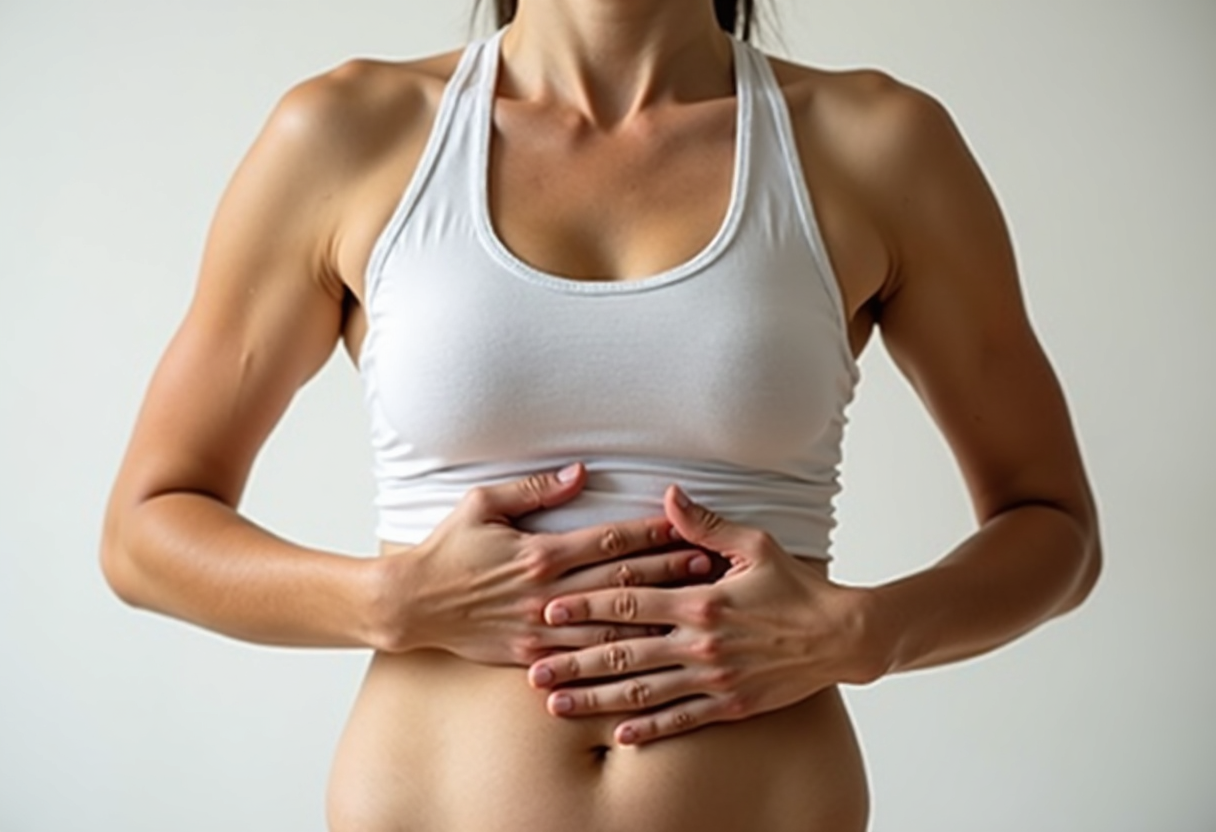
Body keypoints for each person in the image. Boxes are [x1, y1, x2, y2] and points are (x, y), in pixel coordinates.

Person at [100, 0, 1102, 829]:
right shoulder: (349, 132)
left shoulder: (877, 144)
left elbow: (1052, 526)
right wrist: (387, 601)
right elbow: (145, 531)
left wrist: (866, 632)